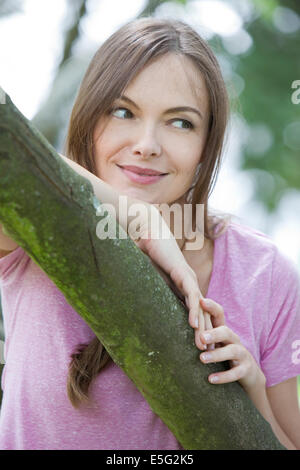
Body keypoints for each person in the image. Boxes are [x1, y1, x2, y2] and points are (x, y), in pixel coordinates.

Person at [0, 17, 299, 450]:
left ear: (205, 146)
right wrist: (140, 218)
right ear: (87, 121)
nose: (146, 144)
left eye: (180, 123)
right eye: (123, 112)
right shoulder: (37, 230)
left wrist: (253, 396)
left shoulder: (264, 273)